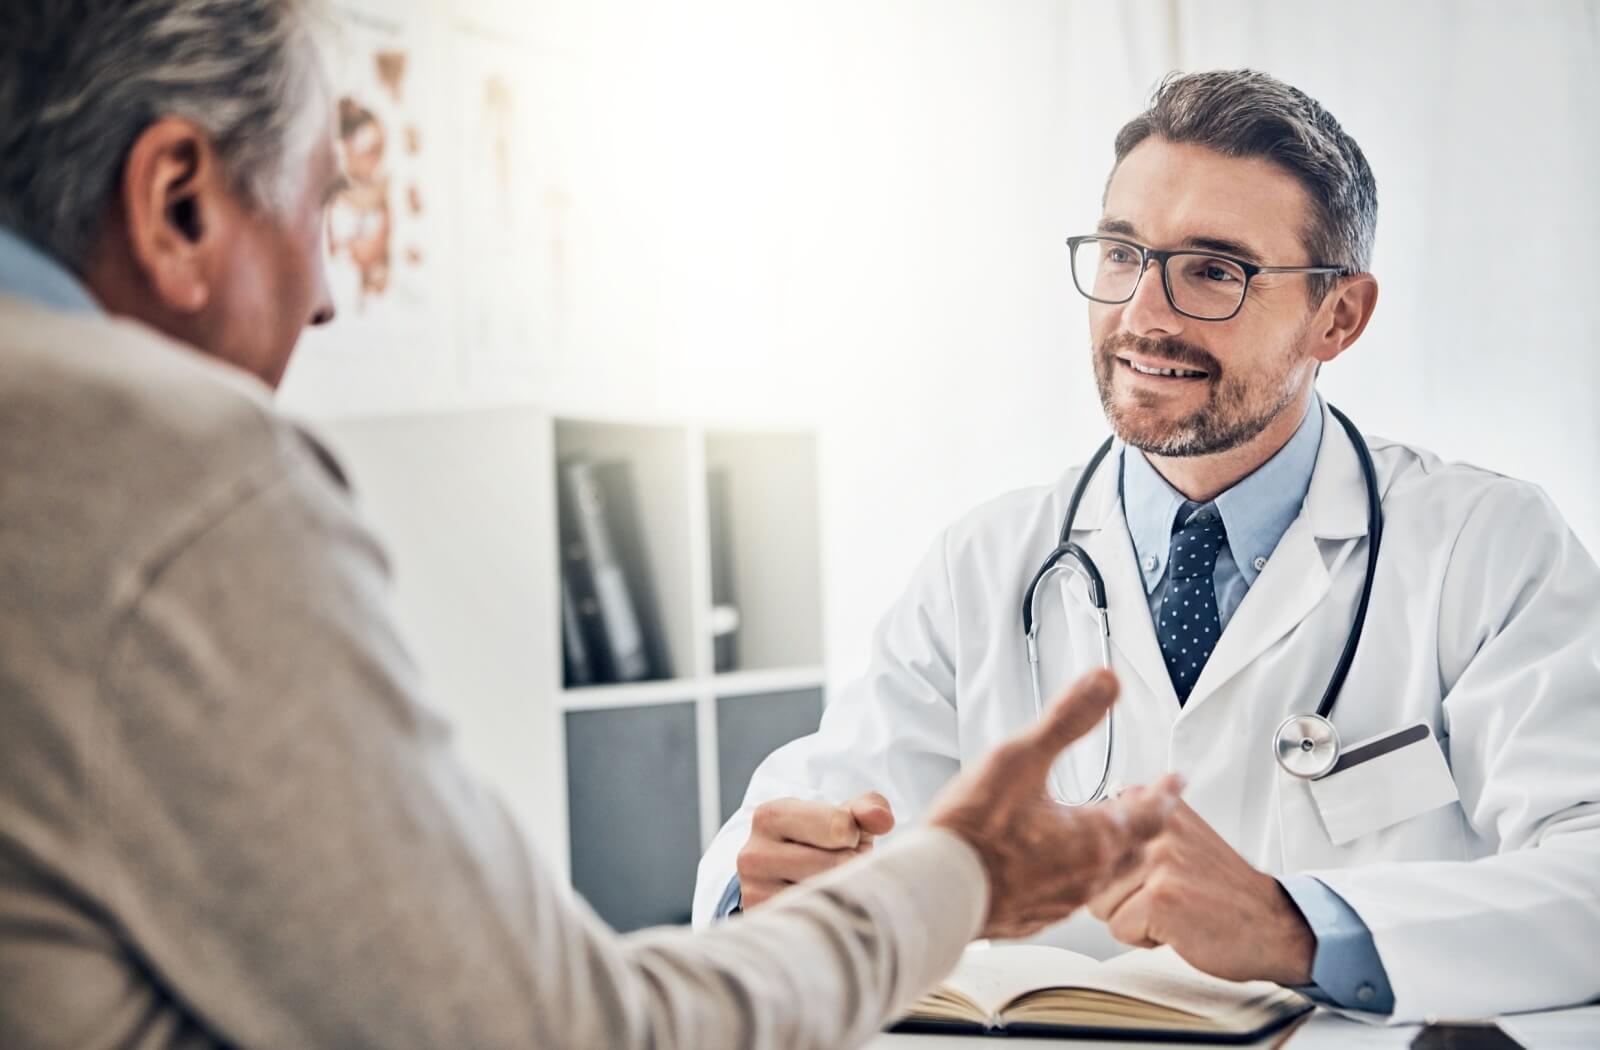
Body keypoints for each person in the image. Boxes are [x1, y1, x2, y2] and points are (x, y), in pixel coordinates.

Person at [0, 3, 1185, 1048]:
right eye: (323, 206)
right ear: (177, 202)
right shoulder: (170, 467)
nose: (325, 295)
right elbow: (556, 1031)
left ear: (1343, 314)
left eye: (1214, 269)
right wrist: (951, 877)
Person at [695, 69, 1600, 1024]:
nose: (1143, 316)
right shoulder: (988, 561)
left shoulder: (1485, 548)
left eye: (1215, 270)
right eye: (1124, 255)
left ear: (1339, 316)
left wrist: (1298, 925)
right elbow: (807, 811)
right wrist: (764, 883)